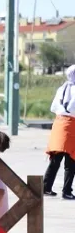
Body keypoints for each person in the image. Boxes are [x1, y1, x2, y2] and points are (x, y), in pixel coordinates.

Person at [43, 64, 75, 200]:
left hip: (58, 125)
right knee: (71, 162)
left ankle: (46, 187)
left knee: (55, 160)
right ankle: (67, 191)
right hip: (71, 125)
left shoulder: (62, 88)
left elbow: (54, 107)